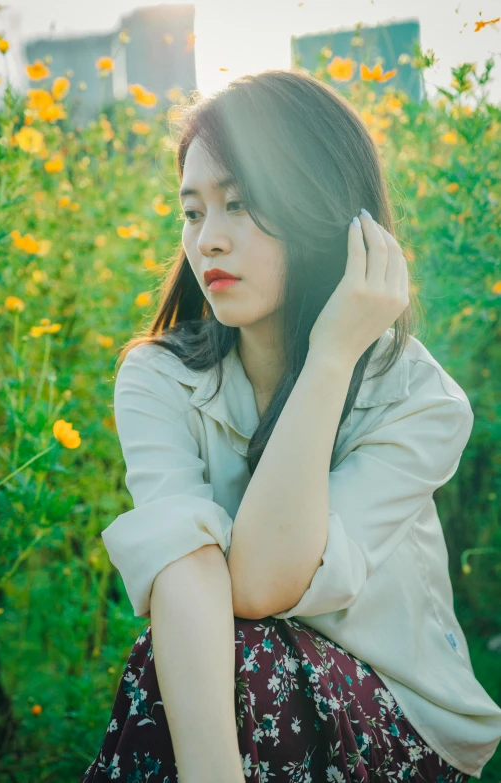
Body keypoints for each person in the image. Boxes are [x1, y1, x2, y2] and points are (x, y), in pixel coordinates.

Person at [80, 69, 501, 782]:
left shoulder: (417, 398)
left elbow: (262, 583)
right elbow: (183, 569)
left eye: (240, 204)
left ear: (320, 211)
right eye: (192, 212)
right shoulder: (159, 377)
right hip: (249, 689)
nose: (208, 240)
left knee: (233, 650)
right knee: (194, 653)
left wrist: (333, 354)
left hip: (401, 716)